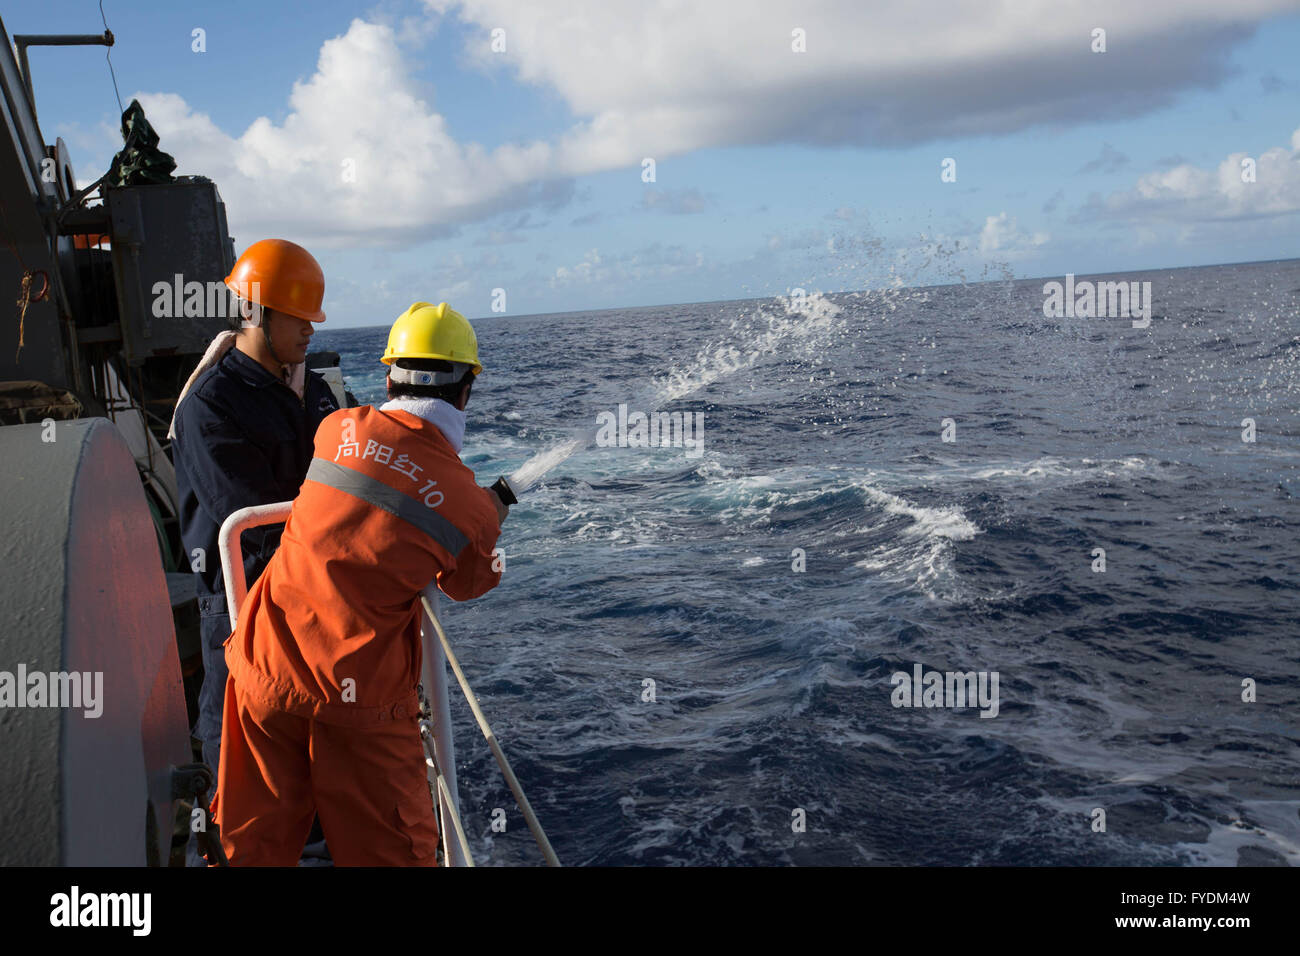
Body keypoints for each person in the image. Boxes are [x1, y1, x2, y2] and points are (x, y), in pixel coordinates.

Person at [213, 301, 510, 866]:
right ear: (466, 391)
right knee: (392, 852)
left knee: (248, 842)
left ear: (389, 374)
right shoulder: (469, 505)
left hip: (263, 663)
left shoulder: (335, 428)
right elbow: (466, 582)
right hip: (357, 698)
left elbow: (376, 487)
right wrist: (486, 517)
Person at [169, 239, 339, 863]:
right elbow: (251, 521)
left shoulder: (312, 389)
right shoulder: (209, 405)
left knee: (311, 749)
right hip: (240, 606)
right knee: (236, 751)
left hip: (312, 595)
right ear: (257, 312)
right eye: (298, 320)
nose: (309, 333)